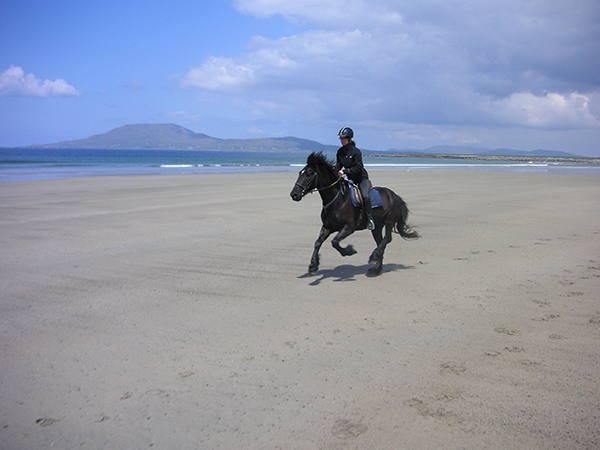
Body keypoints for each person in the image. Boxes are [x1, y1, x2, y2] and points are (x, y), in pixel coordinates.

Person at [335, 127, 375, 230]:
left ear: (349, 139)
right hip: (350, 179)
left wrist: (345, 171)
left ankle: (370, 219)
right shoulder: (340, 152)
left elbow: (358, 167)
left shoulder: (356, 152)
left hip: (361, 178)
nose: (342, 140)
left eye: (344, 138)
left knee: (365, 196)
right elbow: (337, 166)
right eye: (341, 138)